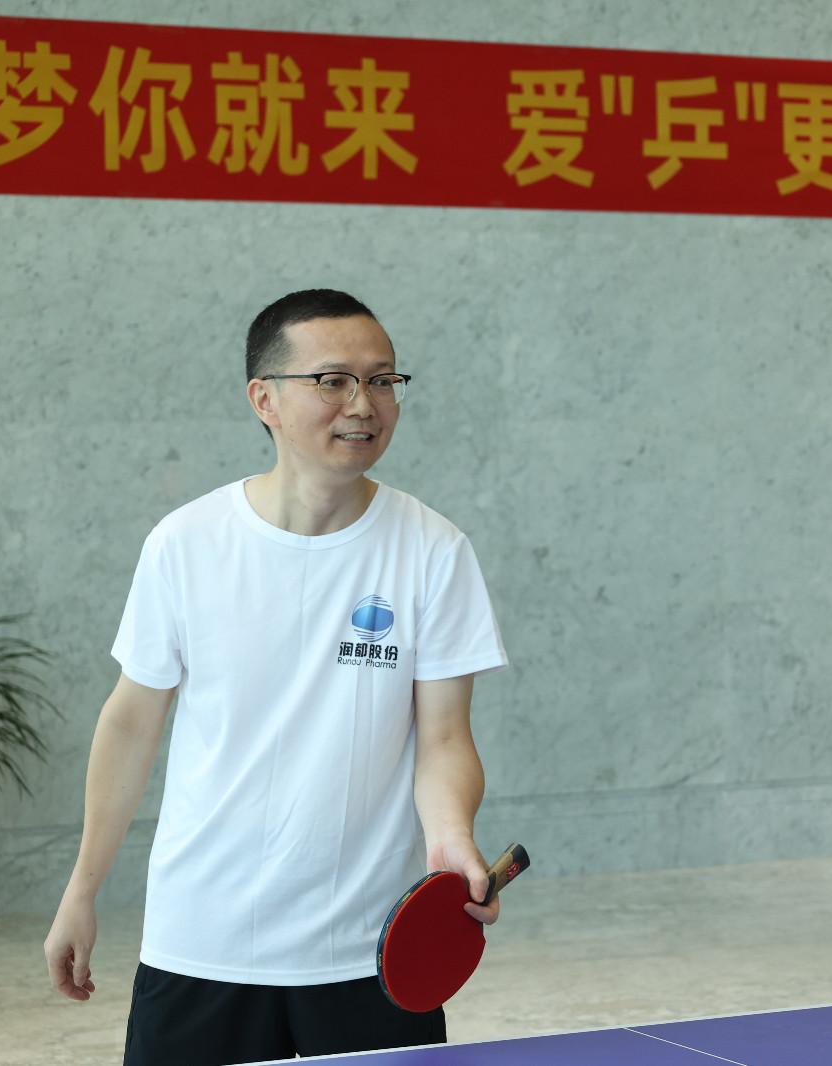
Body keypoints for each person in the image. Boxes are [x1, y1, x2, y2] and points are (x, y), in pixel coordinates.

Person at [43, 289, 508, 1065]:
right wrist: (81, 890)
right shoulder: (185, 543)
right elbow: (130, 723)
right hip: (202, 942)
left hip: (370, 950)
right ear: (265, 399)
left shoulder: (434, 550)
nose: (363, 404)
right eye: (333, 380)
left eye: (383, 380)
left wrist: (451, 837)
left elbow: (445, 740)